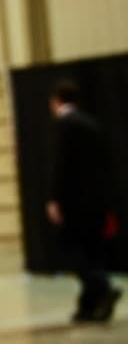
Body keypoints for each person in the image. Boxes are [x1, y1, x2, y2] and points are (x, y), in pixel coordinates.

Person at [46, 79, 121, 322]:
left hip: (75, 202)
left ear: (56, 100)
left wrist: (55, 198)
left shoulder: (65, 125)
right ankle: (88, 307)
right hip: (98, 201)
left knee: (71, 252)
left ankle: (103, 288)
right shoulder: (93, 124)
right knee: (92, 252)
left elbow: (62, 165)